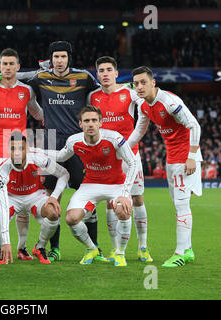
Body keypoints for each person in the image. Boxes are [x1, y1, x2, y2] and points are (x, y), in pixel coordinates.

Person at [25, 40, 100, 262]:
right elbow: (23, 85)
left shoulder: (84, 77)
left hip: (78, 142)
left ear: (69, 58)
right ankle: (54, 248)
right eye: (55, 57)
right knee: (50, 197)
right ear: (50, 60)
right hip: (49, 142)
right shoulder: (40, 78)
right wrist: (40, 116)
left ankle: (94, 247)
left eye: (63, 57)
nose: (59, 61)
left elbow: (99, 97)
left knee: (87, 194)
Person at [40, 106, 137, 266]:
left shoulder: (114, 138)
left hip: (116, 185)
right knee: (71, 218)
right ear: (80, 124)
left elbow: (132, 162)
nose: (90, 124)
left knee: (123, 210)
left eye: (94, 120)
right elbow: (60, 156)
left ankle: (120, 253)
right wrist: (34, 151)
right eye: (87, 121)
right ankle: (92, 249)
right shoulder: (74, 141)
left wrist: (125, 192)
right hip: (90, 184)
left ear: (101, 123)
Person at [0, 48, 44, 261]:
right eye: (4, 64)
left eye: (12, 64)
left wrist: (56, 116)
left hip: (20, 155)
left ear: (18, 67)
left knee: (22, 200)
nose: (8, 67)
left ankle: (22, 247)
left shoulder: (27, 91)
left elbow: (37, 113)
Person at [129, 66, 202, 268]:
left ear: (153, 82)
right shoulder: (143, 105)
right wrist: (123, 149)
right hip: (172, 157)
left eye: (143, 82)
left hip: (185, 156)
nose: (140, 87)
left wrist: (192, 156)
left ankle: (179, 253)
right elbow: (139, 131)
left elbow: (194, 125)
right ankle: (187, 250)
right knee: (179, 204)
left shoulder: (169, 102)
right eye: (136, 83)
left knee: (181, 204)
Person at [87, 56, 152, 262]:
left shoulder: (130, 93)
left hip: (131, 155)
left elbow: (147, 108)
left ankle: (143, 246)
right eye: (101, 70)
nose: (105, 73)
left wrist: (132, 141)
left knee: (137, 199)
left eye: (109, 70)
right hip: (107, 159)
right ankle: (115, 248)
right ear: (97, 75)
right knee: (110, 203)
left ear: (116, 73)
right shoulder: (93, 97)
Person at [0, 131, 69, 264]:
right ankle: (2, 249)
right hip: (12, 198)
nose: (16, 153)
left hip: (35, 196)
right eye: (13, 148)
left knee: (54, 213)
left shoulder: (38, 158)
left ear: (26, 149)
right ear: (8, 150)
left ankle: (40, 246)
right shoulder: (1, 170)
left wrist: (54, 197)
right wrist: (6, 242)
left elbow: (64, 174)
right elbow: (4, 207)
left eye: (21, 148)